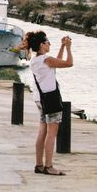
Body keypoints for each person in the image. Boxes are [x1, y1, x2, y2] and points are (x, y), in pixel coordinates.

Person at [27, 31, 73, 176]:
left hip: (40, 99)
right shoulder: (46, 59)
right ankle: (49, 166)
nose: (49, 44)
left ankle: (39, 164)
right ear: (41, 44)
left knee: (42, 131)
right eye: (47, 42)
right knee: (52, 133)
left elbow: (56, 62)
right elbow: (68, 63)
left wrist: (62, 47)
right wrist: (69, 48)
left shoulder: (36, 60)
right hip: (51, 99)